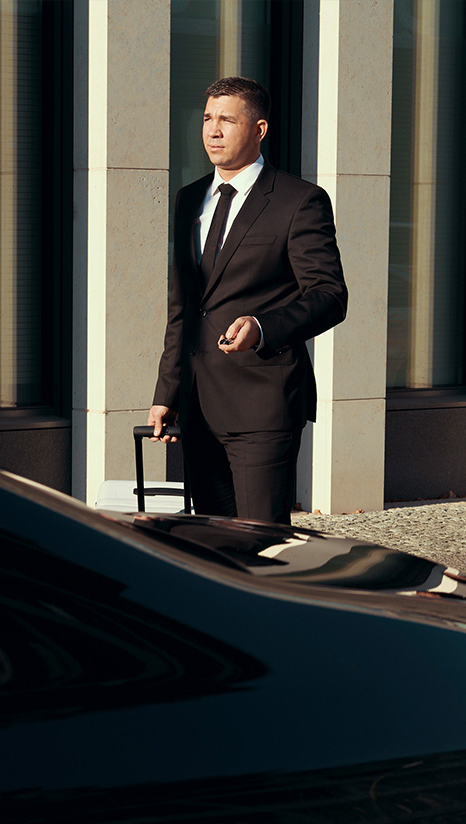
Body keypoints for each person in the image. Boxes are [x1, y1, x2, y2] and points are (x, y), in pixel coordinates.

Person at [148, 76, 347, 525]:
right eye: (207, 119)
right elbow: (183, 307)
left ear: (259, 130)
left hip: (264, 402)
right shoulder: (187, 199)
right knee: (217, 545)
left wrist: (263, 326)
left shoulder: (300, 201)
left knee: (262, 542)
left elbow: (330, 295)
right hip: (199, 405)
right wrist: (167, 392)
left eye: (226, 120)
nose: (212, 131)